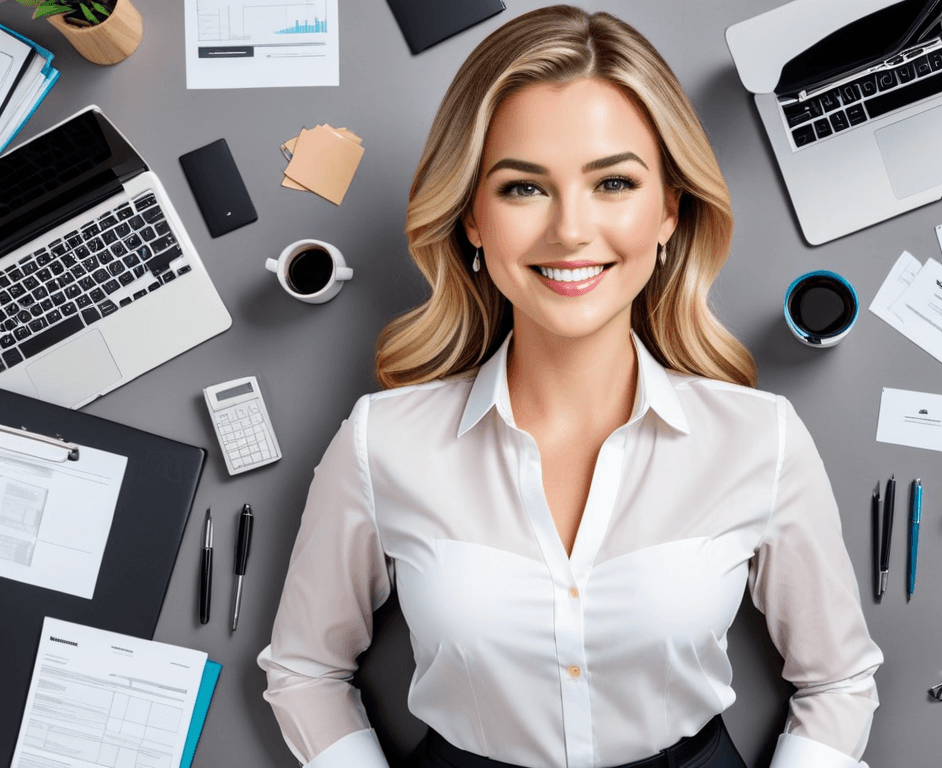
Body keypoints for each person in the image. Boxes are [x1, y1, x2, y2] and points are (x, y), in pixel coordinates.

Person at [257, 6, 882, 768]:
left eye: (614, 181)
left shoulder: (762, 439)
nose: (571, 231)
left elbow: (840, 681)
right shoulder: (380, 441)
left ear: (668, 213)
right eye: (524, 189)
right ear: (474, 220)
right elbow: (304, 672)